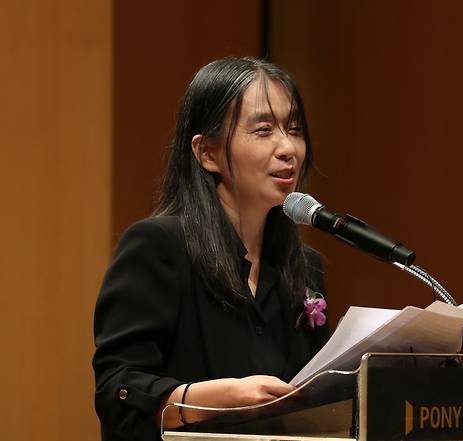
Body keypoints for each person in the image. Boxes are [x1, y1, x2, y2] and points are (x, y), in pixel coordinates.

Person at [92, 57, 329, 441]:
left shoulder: (302, 266)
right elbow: (117, 392)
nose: (288, 148)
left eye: (295, 129)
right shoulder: (158, 247)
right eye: (264, 129)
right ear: (208, 154)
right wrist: (214, 398)